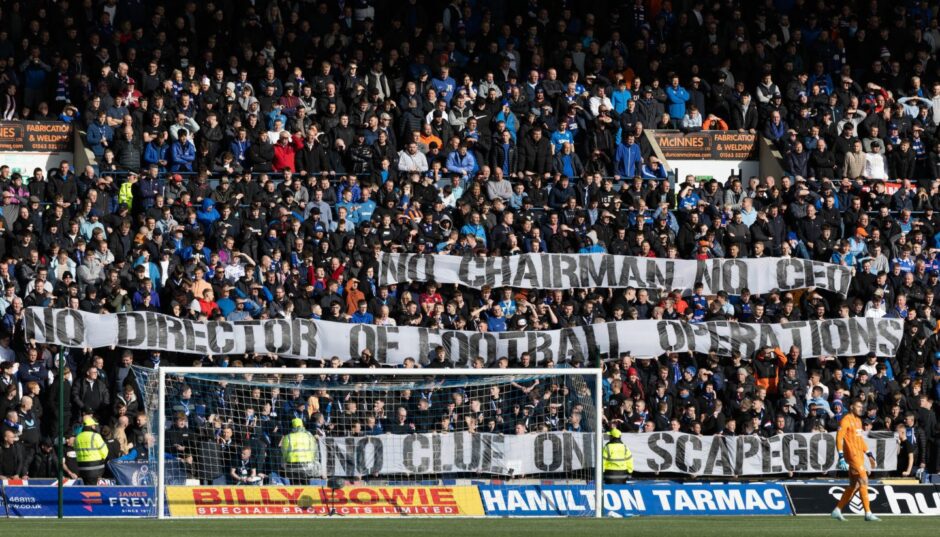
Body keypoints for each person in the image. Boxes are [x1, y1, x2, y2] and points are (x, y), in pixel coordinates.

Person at [831, 399, 880, 522]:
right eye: (858, 406)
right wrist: (841, 457)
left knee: (854, 485)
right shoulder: (846, 420)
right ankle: (868, 513)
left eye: (861, 407)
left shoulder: (858, 421)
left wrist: (869, 454)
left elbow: (860, 440)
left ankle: (837, 510)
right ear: (852, 407)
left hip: (859, 456)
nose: (860, 408)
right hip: (852, 456)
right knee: (864, 480)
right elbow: (839, 438)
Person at [280, 417, 318, 485]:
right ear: (302, 425)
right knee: (306, 484)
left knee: (295, 486)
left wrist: (284, 463)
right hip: (307, 464)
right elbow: (314, 450)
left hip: (292, 465)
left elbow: (284, 452)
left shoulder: (288, 437)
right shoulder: (309, 436)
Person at [74, 416, 109, 485]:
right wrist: (102, 459)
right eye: (94, 425)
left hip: (82, 468)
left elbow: (76, 451)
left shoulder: (77, 437)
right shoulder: (95, 436)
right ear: (92, 426)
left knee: (86, 486)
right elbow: (105, 451)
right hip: (96, 467)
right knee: (92, 489)